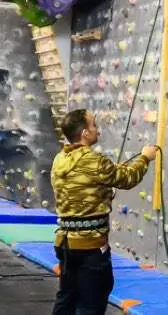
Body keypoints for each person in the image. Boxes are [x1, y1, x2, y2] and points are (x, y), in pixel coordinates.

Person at [50, 109, 157, 315]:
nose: (96, 129)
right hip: (90, 248)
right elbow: (127, 178)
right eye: (93, 125)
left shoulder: (60, 159)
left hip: (65, 244)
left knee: (67, 298)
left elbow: (80, 191)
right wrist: (145, 158)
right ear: (84, 133)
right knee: (92, 303)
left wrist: (103, 192)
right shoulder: (95, 161)